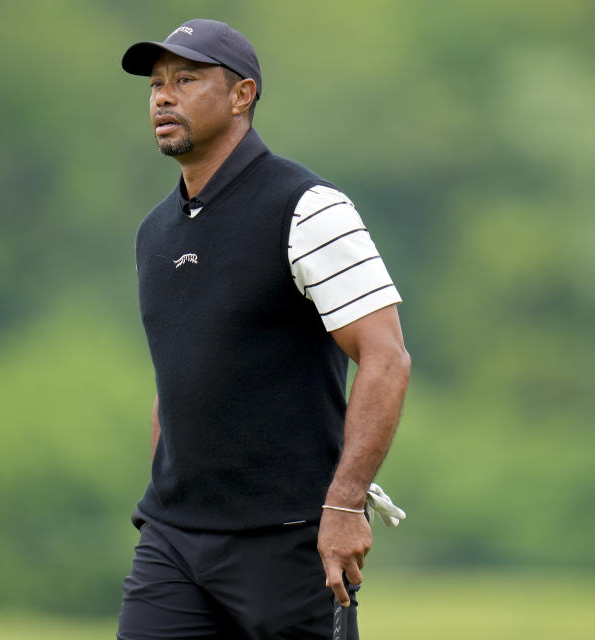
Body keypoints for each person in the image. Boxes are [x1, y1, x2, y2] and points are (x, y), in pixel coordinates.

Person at [117, 19, 411, 639]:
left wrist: (344, 503)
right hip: (174, 544)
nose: (163, 97)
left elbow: (386, 358)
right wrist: (166, 495)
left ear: (241, 95)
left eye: (187, 80)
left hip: (291, 543)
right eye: (156, 85)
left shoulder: (309, 207)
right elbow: (175, 382)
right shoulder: (155, 232)